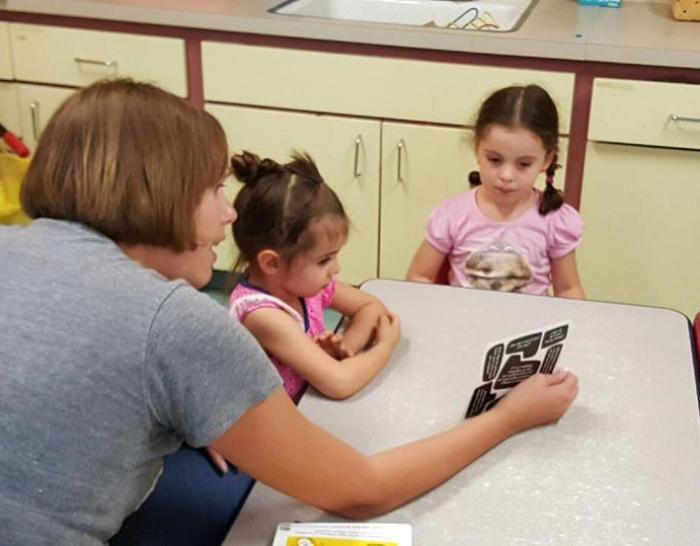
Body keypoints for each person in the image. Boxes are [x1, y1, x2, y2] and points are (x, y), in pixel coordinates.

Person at [0, 78, 578, 546]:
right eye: (213, 190)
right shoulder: (173, 321)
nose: (229, 216)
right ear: (160, 194)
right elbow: (361, 488)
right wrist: (508, 417)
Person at [228, 150, 400, 403]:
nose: (335, 269)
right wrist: (384, 347)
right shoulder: (262, 315)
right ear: (272, 263)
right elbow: (339, 383)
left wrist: (345, 349)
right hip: (264, 433)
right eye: (324, 260)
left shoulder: (302, 287)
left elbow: (370, 307)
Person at [407, 84, 585, 299]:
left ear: (546, 160)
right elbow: (419, 277)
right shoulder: (452, 215)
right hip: (462, 324)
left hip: (529, 328)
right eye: (495, 160)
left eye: (524, 164)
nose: (507, 175)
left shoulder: (554, 221)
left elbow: (568, 290)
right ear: (477, 148)